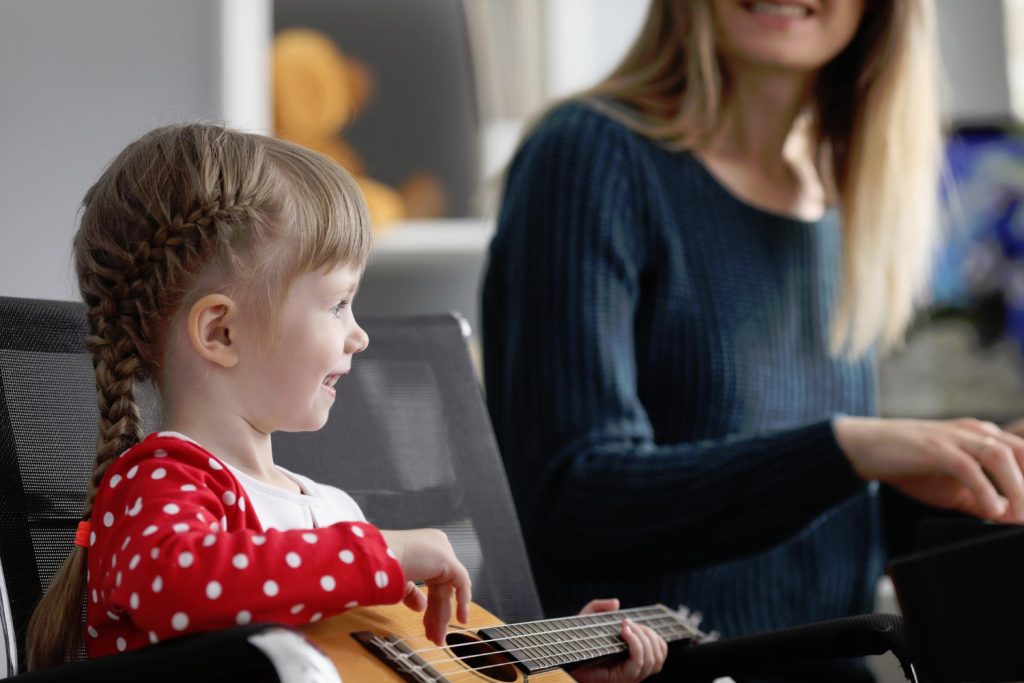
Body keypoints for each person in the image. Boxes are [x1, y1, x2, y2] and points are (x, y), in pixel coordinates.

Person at [482, 0, 1024, 679]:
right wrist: (849, 448)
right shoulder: (590, 155)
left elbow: (801, 520)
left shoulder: (835, 193)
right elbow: (571, 496)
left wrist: (975, 469)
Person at [25, 124, 666, 682]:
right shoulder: (158, 481)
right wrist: (379, 553)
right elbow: (179, 584)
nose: (360, 335)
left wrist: (556, 666)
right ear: (221, 332)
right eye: (336, 304)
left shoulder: (328, 509)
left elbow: (421, 659)